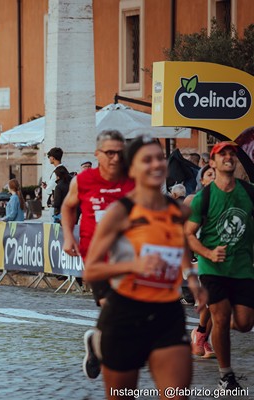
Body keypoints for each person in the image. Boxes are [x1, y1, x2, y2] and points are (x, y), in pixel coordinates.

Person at [83, 134, 206, 400]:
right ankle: (98, 341)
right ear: (133, 168)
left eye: (160, 158)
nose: (156, 165)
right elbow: (91, 270)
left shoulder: (178, 211)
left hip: (167, 315)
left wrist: (193, 277)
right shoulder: (119, 212)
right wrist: (135, 264)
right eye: (146, 159)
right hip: (125, 314)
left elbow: (179, 242)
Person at [61, 129, 135, 379]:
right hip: (95, 256)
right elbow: (68, 207)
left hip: (127, 255)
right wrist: (69, 235)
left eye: (120, 153)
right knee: (113, 306)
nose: (115, 158)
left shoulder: (132, 179)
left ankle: (97, 343)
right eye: (110, 153)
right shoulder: (82, 180)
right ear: (97, 154)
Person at [185, 141, 254, 390]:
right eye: (221, 153)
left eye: (231, 153)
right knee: (221, 317)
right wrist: (208, 253)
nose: (228, 156)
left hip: (243, 267)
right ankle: (226, 375)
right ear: (212, 163)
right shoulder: (203, 198)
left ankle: (215, 328)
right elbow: (189, 234)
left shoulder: (248, 192)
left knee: (245, 323)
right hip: (212, 268)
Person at [183, 164, 216, 359]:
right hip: (198, 256)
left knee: (215, 304)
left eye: (216, 174)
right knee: (211, 301)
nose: (213, 177)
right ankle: (202, 335)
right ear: (201, 180)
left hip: (222, 257)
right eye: (209, 174)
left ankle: (202, 336)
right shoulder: (192, 199)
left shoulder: (227, 199)